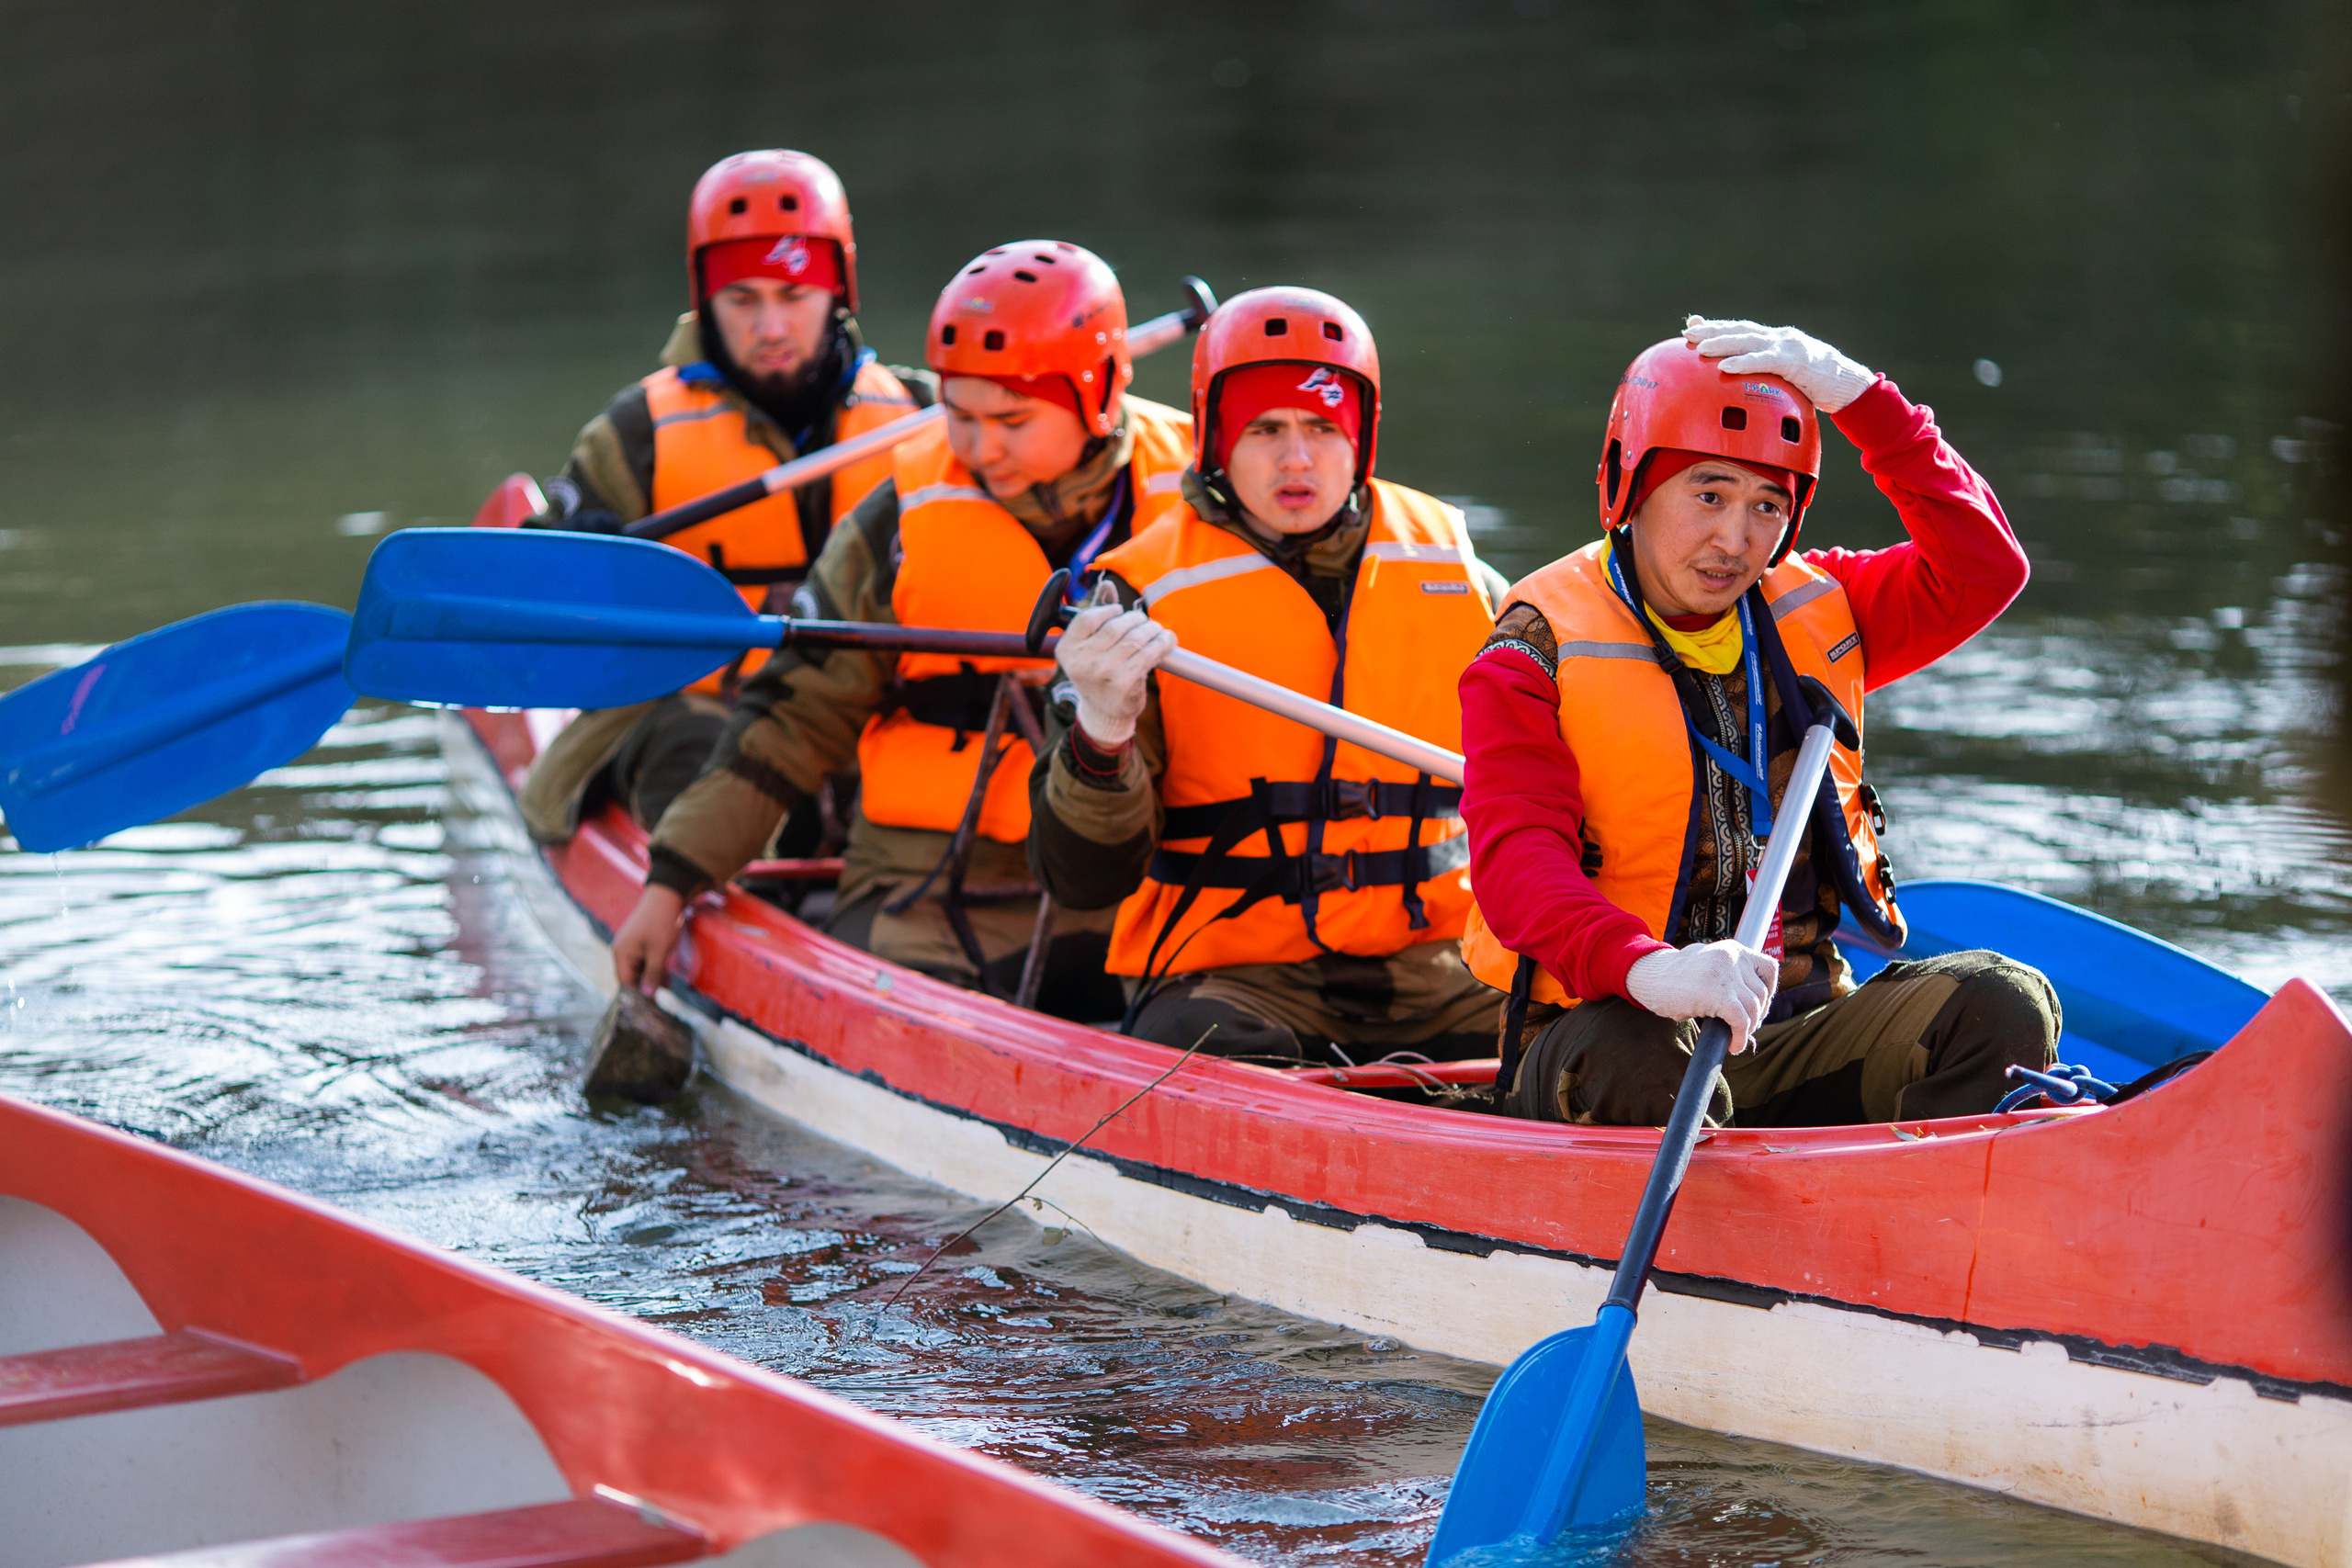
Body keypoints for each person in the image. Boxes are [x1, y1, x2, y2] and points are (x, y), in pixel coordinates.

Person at [1458, 318, 2060, 1127]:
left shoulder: (1825, 607)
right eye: (1709, 495)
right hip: (1616, 1028)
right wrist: (1648, 969)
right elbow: (1517, 867)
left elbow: (1987, 567)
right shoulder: (1532, 647)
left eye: (1767, 504)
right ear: (1632, 484)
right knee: (1644, 1061)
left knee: (2005, 1004)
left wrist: (1864, 401)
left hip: (1792, 1026)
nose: (1735, 541)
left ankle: (1897, 1185)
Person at [608, 241, 1193, 1017]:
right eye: (960, 415)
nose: (981, 448)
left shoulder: (1199, 495)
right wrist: (672, 881)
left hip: (1153, 889)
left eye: (1012, 419)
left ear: (1100, 395)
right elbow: (791, 720)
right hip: (927, 891)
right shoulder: (897, 520)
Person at [1028, 287, 1509, 1064]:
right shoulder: (1132, 601)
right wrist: (1102, 728)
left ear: (1361, 436)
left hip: (1442, 964)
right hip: (1235, 975)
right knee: (1193, 1049)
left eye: (1322, 427)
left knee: (1574, 1035)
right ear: (1215, 439)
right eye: (1264, 429)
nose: (1296, 459)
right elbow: (1082, 879)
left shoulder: (1464, 576)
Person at [517, 150, 925, 846]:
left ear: (838, 291)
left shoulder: (925, 417)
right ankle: (697, 887)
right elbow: (535, 600)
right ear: (705, 299)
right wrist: (585, 563)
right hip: (701, 705)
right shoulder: (636, 433)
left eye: (793, 296)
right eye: (743, 299)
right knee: (704, 754)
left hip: (867, 708)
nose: (771, 328)